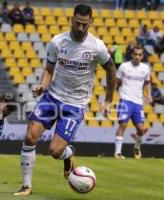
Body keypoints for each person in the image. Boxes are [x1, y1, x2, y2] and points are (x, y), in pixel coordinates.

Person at [14, 4, 116, 196]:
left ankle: (68, 154)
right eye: (77, 23)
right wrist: (42, 86)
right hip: (51, 97)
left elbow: (111, 71)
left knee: (55, 151)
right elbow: (49, 70)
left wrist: (108, 100)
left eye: (85, 25)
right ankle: (26, 186)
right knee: (30, 137)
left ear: (91, 22)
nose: (80, 28)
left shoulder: (97, 47)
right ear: (71, 20)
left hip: (75, 105)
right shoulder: (57, 42)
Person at [114, 45, 152, 159]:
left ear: (142, 56)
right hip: (125, 100)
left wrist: (148, 94)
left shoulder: (145, 68)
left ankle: (137, 147)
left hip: (138, 102)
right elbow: (117, 81)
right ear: (131, 55)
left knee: (141, 129)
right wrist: (114, 92)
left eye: (139, 55)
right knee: (122, 125)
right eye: (135, 54)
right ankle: (118, 152)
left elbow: (147, 82)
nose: (137, 56)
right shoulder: (124, 66)